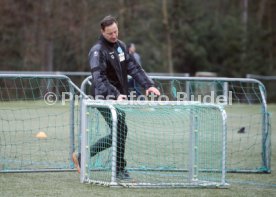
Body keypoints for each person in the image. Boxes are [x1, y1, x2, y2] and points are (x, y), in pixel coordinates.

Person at [72, 15, 160, 180]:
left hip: (119, 99)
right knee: (121, 130)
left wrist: (149, 85)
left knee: (120, 131)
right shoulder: (97, 51)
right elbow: (99, 79)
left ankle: (83, 157)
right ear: (102, 31)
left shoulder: (121, 46)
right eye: (110, 33)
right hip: (103, 98)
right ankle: (118, 169)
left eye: (116, 32)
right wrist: (116, 95)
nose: (114, 36)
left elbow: (134, 67)